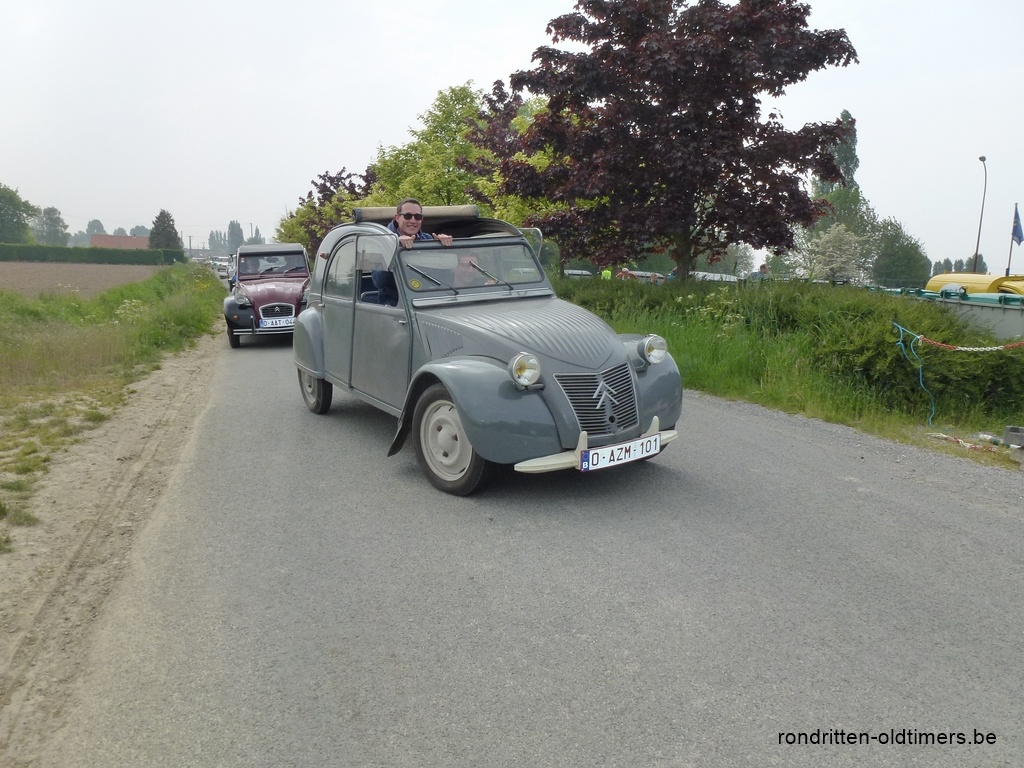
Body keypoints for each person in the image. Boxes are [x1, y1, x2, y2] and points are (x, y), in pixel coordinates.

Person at [387, 198, 454, 249]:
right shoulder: (383, 239)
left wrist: (442, 245)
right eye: (407, 216)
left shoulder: (427, 240)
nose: (413, 221)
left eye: (417, 216)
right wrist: (395, 242)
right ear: (397, 218)